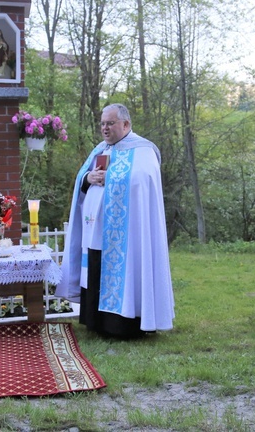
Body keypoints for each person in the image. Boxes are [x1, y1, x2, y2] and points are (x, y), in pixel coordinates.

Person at [55, 104, 175, 338]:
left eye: (110, 123)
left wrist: (113, 178)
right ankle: (96, 323)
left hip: (126, 232)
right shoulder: (101, 148)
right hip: (94, 227)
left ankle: (121, 325)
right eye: (102, 123)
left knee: (121, 270)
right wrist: (89, 177)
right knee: (96, 269)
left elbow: (141, 181)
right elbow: (83, 178)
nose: (105, 128)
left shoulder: (143, 150)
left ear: (125, 124)